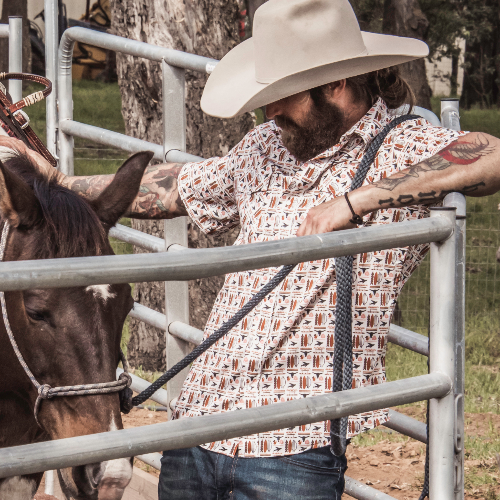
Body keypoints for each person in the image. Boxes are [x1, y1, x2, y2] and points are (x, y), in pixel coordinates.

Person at [2, 0, 499, 497]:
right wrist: (55, 183)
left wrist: (358, 201)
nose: (270, 110)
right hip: (200, 420)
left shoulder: (399, 146)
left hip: (294, 438)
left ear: (336, 84)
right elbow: (181, 187)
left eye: (283, 95)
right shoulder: (266, 146)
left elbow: (491, 152)